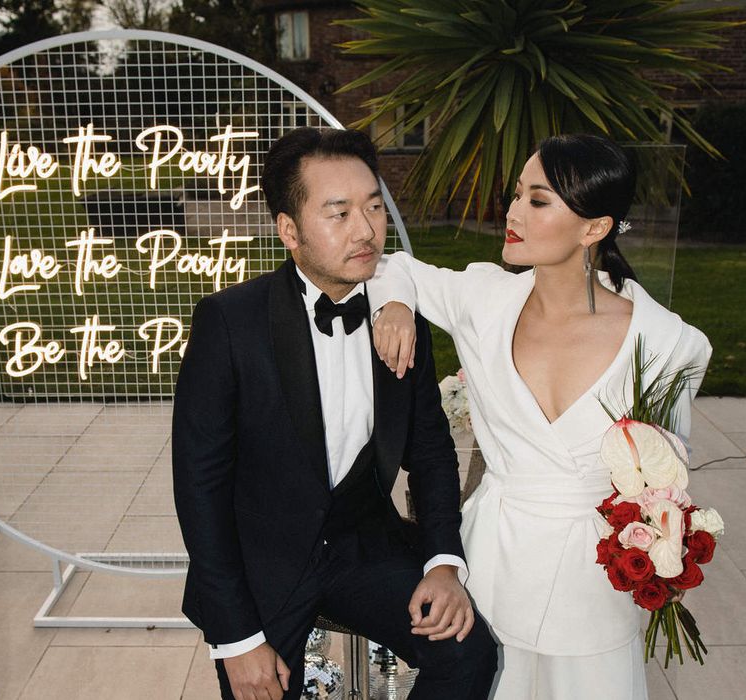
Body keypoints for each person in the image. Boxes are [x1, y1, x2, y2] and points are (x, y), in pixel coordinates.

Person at [368, 134, 712, 699]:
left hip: (594, 580)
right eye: (517, 194)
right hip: (494, 563)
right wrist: (399, 305)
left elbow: (665, 480)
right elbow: (388, 266)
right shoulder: (485, 298)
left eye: (538, 200)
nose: (512, 212)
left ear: (594, 228)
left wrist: (660, 547)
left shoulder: (666, 344)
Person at [172, 127, 498, 700]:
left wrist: (444, 562)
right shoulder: (230, 323)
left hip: (361, 548)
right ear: (289, 231)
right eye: (339, 213)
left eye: (373, 206)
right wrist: (238, 639)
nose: (366, 230)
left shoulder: (400, 317)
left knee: (468, 652)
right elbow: (200, 488)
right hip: (261, 563)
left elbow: (429, 448)